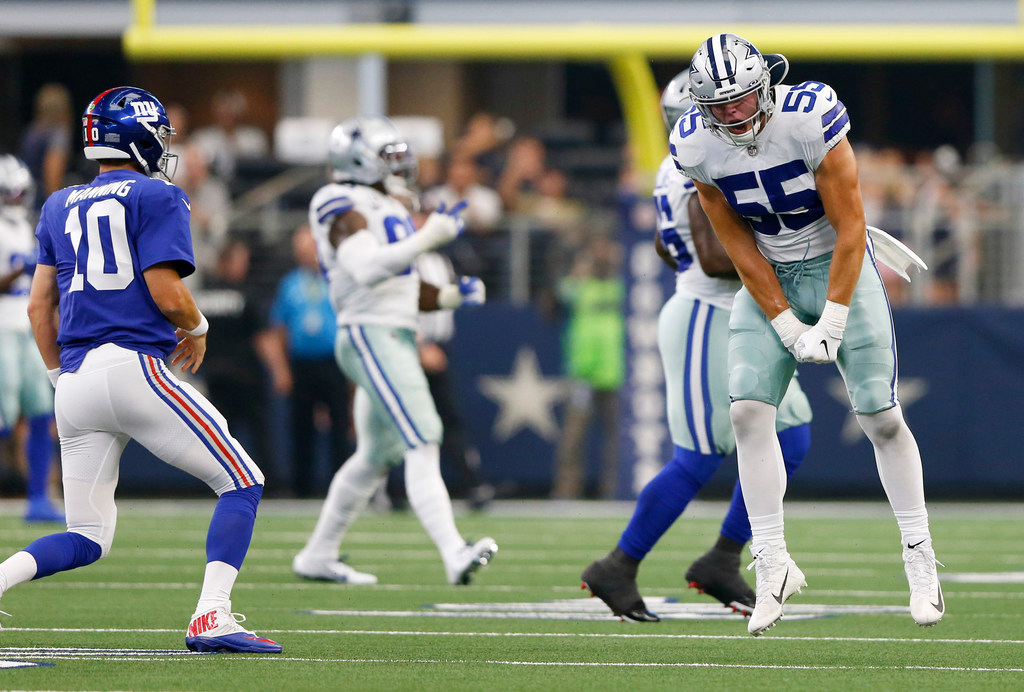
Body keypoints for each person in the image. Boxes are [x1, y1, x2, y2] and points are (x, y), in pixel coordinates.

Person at [673, 34, 943, 635]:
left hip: (838, 262)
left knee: (882, 418)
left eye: (744, 100)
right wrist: (785, 321)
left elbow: (852, 227)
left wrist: (834, 319)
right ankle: (772, 561)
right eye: (721, 107)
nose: (735, 116)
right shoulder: (695, 141)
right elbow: (734, 239)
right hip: (768, 266)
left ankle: (919, 556)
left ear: (765, 84)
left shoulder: (809, 115)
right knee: (745, 412)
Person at [0, 86, 280, 653]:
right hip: (132, 367)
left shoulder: (57, 203)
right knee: (242, 480)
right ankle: (212, 614)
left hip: (75, 380)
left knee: (88, 537)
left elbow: (38, 307)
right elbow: (167, 292)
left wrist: (61, 378)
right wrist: (199, 327)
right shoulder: (157, 194)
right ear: (140, 135)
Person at [582, 75, 813, 621]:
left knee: (793, 437)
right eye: (723, 108)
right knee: (698, 457)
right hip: (707, 316)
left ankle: (721, 559)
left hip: (742, 309)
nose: (738, 116)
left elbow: (669, 245)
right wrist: (789, 253)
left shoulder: (703, 161)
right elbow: (709, 257)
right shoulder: (693, 163)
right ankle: (617, 566)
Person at [292, 115, 497, 586]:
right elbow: (366, 269)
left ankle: (318, 554)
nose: (401, 167)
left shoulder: (390, 204)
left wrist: (448, 296)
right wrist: (428, 238)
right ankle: (453, 552)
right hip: (370, 332)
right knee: (423, 437)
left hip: (391, 329)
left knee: (375, 456)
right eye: (389, 158)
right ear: (360, 161)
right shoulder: (338, 200)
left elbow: (402, 283)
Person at [262, 224, 353, 498]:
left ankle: (343, 490)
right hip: (302, 365)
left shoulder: (339, 279)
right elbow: (278, 328)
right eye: (300, 248)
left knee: (340, 427)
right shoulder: (290, 283)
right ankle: (302, 489)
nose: (305, 253)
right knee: (300, 428)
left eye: (309, 246)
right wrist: (281, 370)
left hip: (335, 362)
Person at [0, 155, 63, 522]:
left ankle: (38, 498)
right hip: (3, 327)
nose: (14, 198)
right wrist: (15, 271)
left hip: (28, 325)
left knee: (40, 412)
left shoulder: (28, 225)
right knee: (4, 417)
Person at [550, 235, 625, 500]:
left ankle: (616, 488)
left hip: (617, 371)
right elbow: (554, 300)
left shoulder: (624, 286)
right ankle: (566, 489)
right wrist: (577, 272)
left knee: (617, 437)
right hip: (582, 370)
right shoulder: (579, 285)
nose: (603, 258)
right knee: (573, 436)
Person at [19, 83, 74, 211]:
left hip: (26, 198)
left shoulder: (31, 131)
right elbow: (52, 178)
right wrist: (57, 210)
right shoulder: (59, 133)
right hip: (42, 205)